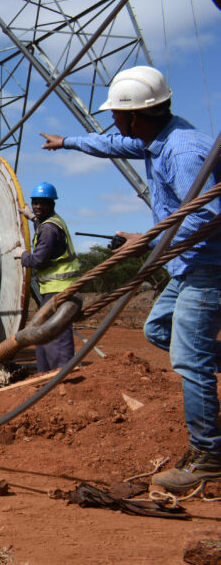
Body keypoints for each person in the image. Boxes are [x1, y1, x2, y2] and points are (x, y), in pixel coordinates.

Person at [40, 65, 221, 493]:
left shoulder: (182, 152)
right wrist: (67, 142)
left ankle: (209, 455)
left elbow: (211, 218)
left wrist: (148, 238)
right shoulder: (156, 138)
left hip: (207, 267)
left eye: (116, 115)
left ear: (134, 117)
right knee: (159, 329)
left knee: (191, 359)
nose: (114, 123)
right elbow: (111, 144)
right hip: (187, 266)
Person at [11, 182, 81, 373]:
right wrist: (31, 217)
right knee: (42, 333)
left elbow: (39, 260)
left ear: (52, 204)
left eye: (43, 203)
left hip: (59, 289)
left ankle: (61, 375)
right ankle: (45, 374)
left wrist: (22, 254)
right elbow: (41, 223)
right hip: (54, 290)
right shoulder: (50, 221)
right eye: (35, 203)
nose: (38, 207)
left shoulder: (49, 229)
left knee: (55, 334)